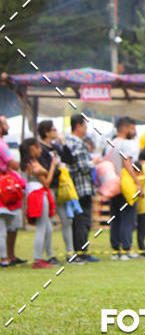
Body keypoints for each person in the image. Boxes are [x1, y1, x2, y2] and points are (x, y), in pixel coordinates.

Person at [37, 120, 79, 261]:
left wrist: (63, 143)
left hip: (61, 188)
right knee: (48, 222)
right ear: (46, 132)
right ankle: (49, 254)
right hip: (49, 188)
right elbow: (45, 170)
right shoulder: (40, 149)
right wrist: (57, 168)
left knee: (67, 220)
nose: (56, 132)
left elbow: (70, 159)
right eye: (53, 130)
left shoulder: (55, 147)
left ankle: (70, 253)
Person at [65, 114, 100, 262]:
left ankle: (80, 251)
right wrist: (94, 161)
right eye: (85, 126)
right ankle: (81, 252)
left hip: (74, 187)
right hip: (81, 187)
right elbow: (84, 167)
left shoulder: (67, 141)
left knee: (79, 221)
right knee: (82, 221)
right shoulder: (77, 143)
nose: (86, 130)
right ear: (78, 126)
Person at [105, 117, 141, 260]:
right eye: (132, 128)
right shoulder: (127, 144)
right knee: (128, 217)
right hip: (125, 185)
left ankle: (116, 249)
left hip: (112, 184)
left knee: (115, 217)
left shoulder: (110, 143)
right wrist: (136, 181)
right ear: (125, 128)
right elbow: (127, 163)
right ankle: (127, 249)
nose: (133, 131)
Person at [20, 138, 59, 268]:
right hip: (39, 194)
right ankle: (37, 259)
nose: (41, 150)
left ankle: (41, 257)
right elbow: (47, 182)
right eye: (38, 148)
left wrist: (45, 171)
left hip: (35, 194)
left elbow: (43, 173)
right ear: (32, 148)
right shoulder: (33, 164)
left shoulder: (28, 163)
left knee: (47, 227)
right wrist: (52, 166)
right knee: (42, 227)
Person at [0, 115, 27, 267]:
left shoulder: (3, 143)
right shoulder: (1, 145)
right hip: (5, 189)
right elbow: (12, 164)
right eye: (5, 124)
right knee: (3, 226)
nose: (8, 126)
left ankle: (9, 256)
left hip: (7, 187)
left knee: (10, 225)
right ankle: (5, 258)